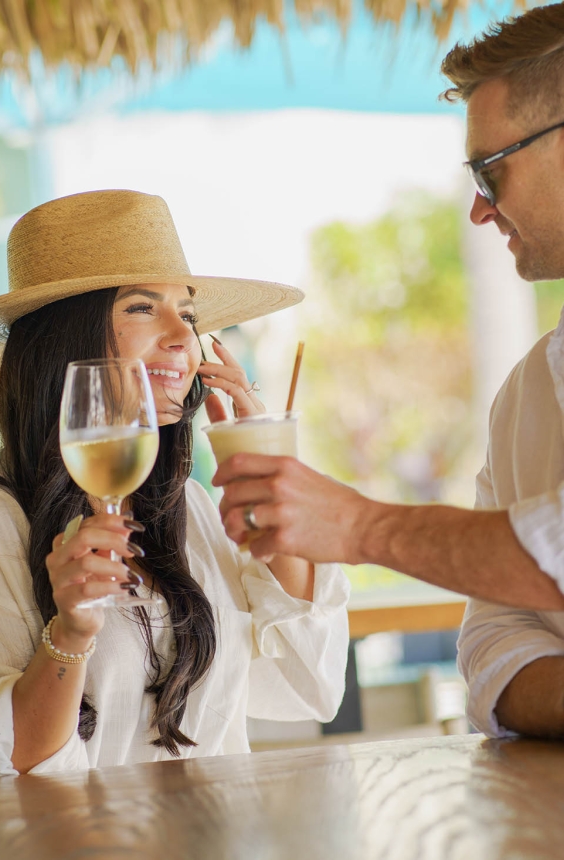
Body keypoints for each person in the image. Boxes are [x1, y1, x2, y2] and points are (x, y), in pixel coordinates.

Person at [0, 189, 349, 780]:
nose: (182, 338)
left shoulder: (188, 505)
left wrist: (271, 489)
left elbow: (307, 688)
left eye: (187, 315)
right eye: (143, 308)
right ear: (68, 340)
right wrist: (71, 632)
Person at [213, 2, 564, 738]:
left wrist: (358, 526)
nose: (478, 210)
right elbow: (492, 648)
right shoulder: (525, 395)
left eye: (489, 172)